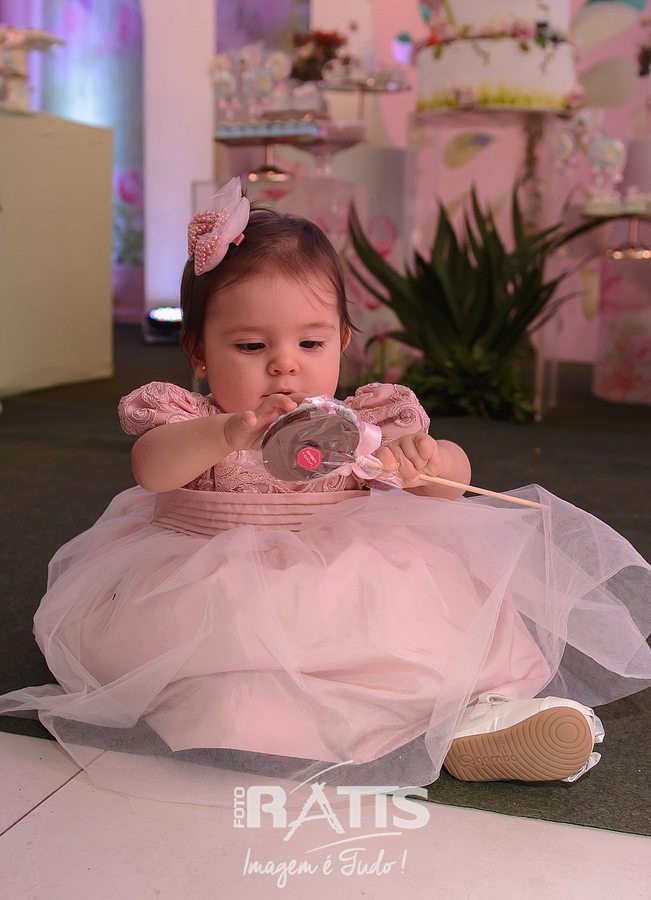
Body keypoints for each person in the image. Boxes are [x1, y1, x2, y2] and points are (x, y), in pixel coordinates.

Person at [1, 178, 650, 806]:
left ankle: (480, 714)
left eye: (310, 342)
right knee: (238, 666)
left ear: (341, 341)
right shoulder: (189, 417)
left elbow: (448, 481)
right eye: (251, 345)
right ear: (198, 351)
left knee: (417, 629)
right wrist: (227, 433)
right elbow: (153, 469)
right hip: (213, 574)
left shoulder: (362, 420)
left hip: (347, 563)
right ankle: (276, 719)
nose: (284, 363)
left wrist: (426, 462)